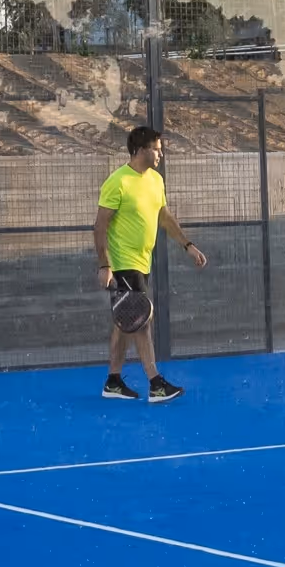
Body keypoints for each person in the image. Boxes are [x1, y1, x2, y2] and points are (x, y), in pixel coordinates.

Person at [95, 124, 207, 402]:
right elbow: (100, 226)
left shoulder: (156, 180)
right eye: (156, 150)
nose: (160, 154)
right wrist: (104, 265)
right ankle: (156, 384)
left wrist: (188, 245)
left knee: (125, 324)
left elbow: (164, 216)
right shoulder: (117, 181)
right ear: (140, 150)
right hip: (123, 262)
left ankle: (113, 381)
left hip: (143, 262)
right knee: (140, 321)